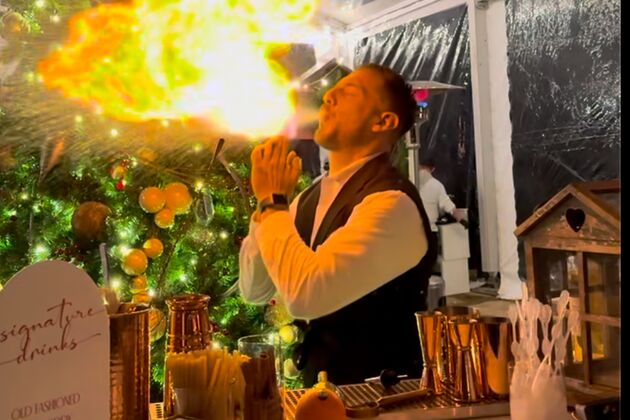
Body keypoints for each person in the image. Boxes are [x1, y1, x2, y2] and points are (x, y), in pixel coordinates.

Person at [238, 64, 437, 386]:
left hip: (383, 398)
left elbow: (306, 296)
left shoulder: (392, 203)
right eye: (333, 90)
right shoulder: (308, 197)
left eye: (349, 92)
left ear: (382, 121)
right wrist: (266, 207)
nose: (328, 96)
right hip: (320, 394)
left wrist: (273, 203)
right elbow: (255, 289)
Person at [418, 157, 466, 239]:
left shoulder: (411, 183)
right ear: (433, 169)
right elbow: (448, 205)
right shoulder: (437, 185)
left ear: (418, 166)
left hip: (413, 232)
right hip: (429, 231)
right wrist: (463, 219)